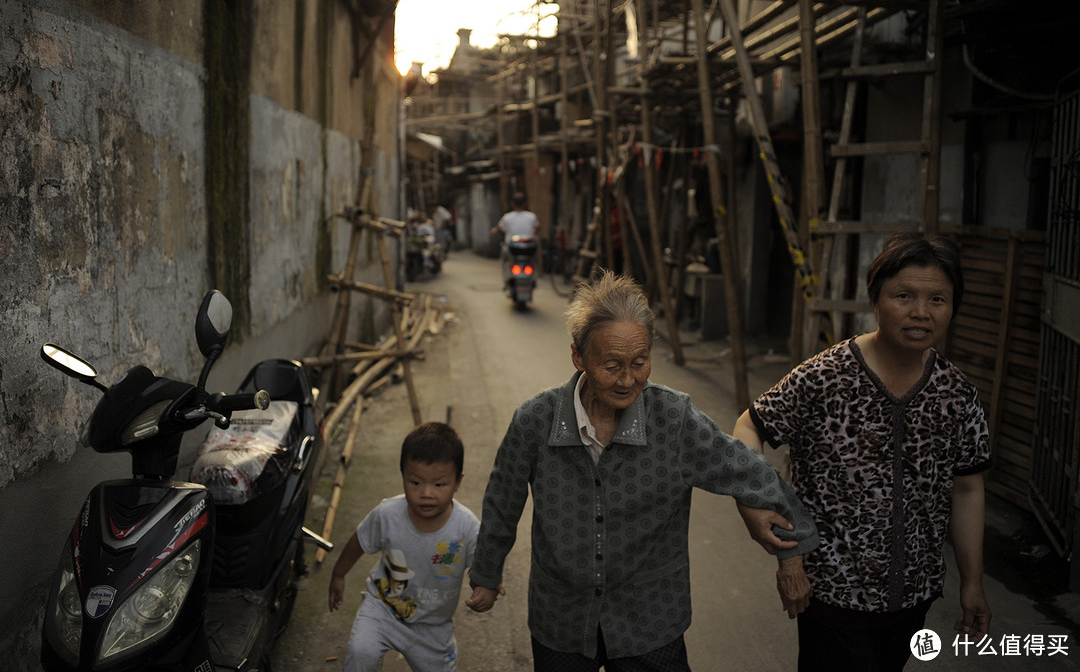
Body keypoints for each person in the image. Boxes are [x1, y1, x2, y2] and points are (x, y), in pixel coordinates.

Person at [465, 270, 819, 671]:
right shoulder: (534, 420)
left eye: (640, 362)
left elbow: (749, 471)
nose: (628, 379)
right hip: (560, 617)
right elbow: (502, 501)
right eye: (612, 364)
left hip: (650, 622)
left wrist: (793, 555)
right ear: (578, 357)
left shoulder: (674, 418)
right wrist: (487, 573)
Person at [732, 232, 992, 671]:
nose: (920, 313)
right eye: (904, 295)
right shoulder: (826, 376)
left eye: (938, 300)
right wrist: (759, 507)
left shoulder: (957, 394)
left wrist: (973, 582)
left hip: (913, 596)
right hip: (832, 591)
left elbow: (967, 490)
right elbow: (749, 426)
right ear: (875, 298)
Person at [328, 422, 483, 672]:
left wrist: (486, 588)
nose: (427, 494)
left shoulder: (467, 528)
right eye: (416, 482)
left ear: (457, 482)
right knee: (360, 653)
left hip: (432, 624)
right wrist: (338, 573)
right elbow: (360, 539)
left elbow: (482, 567)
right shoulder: (388, 514)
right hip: (383, 608)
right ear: (402, 475)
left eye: (440, 484)